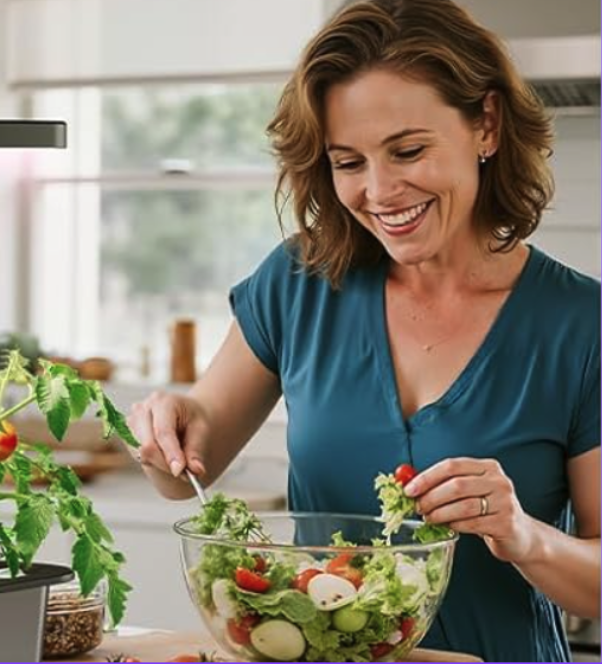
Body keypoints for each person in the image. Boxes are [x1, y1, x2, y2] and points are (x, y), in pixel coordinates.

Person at [128, 0, 600, 661]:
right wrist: (167, 428)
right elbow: (183, 473)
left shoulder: (582, 326)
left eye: (407, 150)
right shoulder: (299, 282)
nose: (379, 191)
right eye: (348, 162)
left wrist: (524, 535)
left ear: (486, 125)